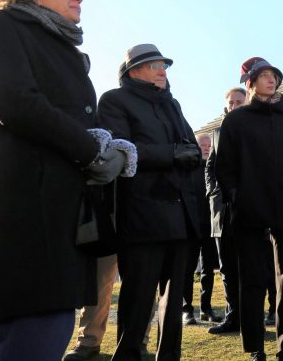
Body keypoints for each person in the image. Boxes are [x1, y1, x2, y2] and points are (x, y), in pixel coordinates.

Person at [0, 0, 126, 359]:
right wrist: (92, 150)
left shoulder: (67, 48)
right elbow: (18, 103)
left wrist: (109, 147)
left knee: (54, 324)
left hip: (65, 206)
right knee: (29, 331)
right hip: (26, 202)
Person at [98, 43, 202, 360]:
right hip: (143, 214)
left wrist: (191, 154)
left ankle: (169, 355)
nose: (162, 70)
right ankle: (129, 353)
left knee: (174, 302)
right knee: (138, 297)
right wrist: (170, 155)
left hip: (182, 215)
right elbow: (120, 148)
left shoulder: (173, 104)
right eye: (155, 65)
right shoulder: (115, 101)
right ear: (134, 71)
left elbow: (191, 146)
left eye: (164, 66)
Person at [216, 57, 283, 361]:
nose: (271, 80)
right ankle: (255, 347)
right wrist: (238, 198)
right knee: (253, 280)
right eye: (264, 76)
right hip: (249, 212)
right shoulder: (236, 120)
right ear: (251, 82)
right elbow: (225, 167)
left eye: (274, 75)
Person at [206, 87, 246, 335]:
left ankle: (252, 317)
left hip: (249, 210)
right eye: (231, 102)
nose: (234, 105)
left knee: (250, 269)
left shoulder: (256, 129)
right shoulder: (217, 133)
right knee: (227, 270)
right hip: (222, 212)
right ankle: (234, 318)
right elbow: (209, 168)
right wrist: (212, 192)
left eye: (239, 102)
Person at [182, 133, 223, 325]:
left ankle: (206, 309)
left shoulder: (215, 168)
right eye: (202, 145)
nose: (206, 147)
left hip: (210, 226)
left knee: (208, 269)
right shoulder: (188, 169)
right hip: (191, 226)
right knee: (188, 268)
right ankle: (186, 309)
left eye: (209, 145)